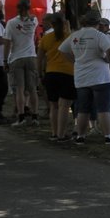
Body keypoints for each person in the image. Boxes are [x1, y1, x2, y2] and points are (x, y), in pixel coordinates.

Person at [60, 11, 110, 142]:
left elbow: (62, 50)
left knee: (83, 109)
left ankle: (81, 136)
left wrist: (74, 60)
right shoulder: (99, 35)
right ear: (98, 23)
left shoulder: (75, 35)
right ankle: (109, 136)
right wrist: (108, 60)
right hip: (100, 77)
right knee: (104, 109)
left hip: (81, 77)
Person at [37, 12, 76, 142]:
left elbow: (40, 58)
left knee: (53, 106)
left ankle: (54, 133)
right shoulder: (69, 37)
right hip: (67, 73)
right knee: (64, 106)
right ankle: (61, 134)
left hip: (51, 73)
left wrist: (39, 73)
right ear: (64, 23)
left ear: (51, 24)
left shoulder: (46, 38)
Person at [6, 0, 41, 125]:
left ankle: (20, 116)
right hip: (31, 57)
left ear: (17, 8)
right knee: (32, 89)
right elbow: (31, 18)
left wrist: (5, 60)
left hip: (16, 57)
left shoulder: (11, 23)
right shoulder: (34, 21)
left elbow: (7, 42)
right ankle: (35, 116)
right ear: (29, 8)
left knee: (19, 89)